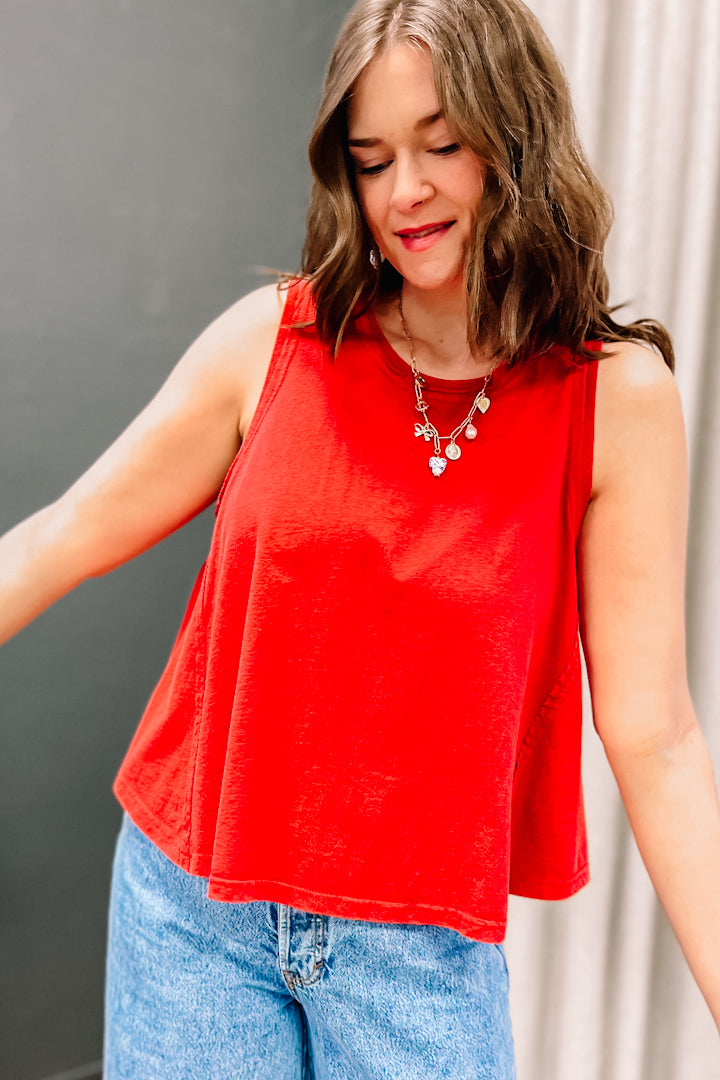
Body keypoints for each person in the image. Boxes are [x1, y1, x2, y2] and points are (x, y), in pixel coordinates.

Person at [2, 0, 719, 1075]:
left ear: (515, 138)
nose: (406, 193)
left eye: (443, 144)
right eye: (372, 158)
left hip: (418, 954)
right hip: (195, 914)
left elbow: (656, 733)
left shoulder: (612, 402)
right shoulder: (275, 343)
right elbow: (62, 534)